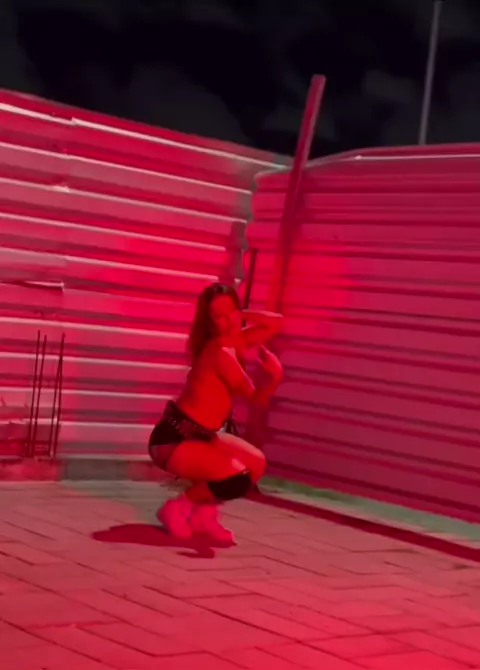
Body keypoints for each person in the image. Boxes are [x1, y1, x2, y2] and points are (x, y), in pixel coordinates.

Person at [148, 282, 283, 544]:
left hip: (203, 434)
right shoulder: (220, 353)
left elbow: (275, 322)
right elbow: (256, 398)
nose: (228, 321)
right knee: (237, 478)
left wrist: (240, 314)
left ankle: (204, 516)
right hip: (174, 438)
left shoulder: (237, 340)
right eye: (218, 316)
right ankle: (176, 508)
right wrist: (274, 378)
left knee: (256, 463)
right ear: (209, 323)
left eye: (230, 311)